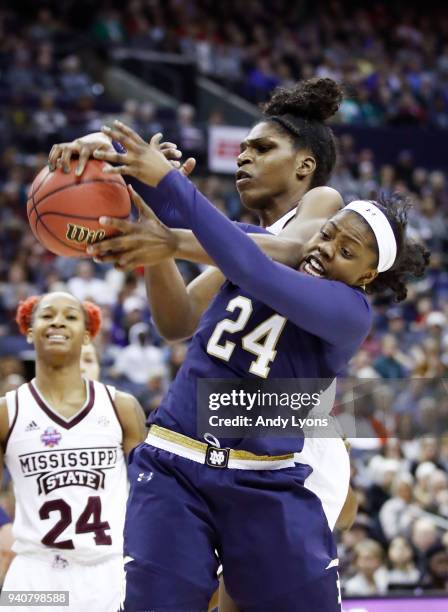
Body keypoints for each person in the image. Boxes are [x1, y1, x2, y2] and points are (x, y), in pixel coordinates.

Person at [81, 112, 429, 611]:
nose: (325, 249)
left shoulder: (349, 311)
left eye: (345, 251)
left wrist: (173, 214)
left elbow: (245, 263)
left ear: (367, 275)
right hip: (177, 461)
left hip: (263, 475)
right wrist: (94, 148)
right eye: (328, 235)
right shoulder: (260, 241)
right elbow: (172, 215)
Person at [0, 292, 146, 612]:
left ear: (87, 334)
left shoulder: (121, 406)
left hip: (107, 569)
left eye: (70, 316)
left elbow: (150, 493)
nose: (58, 321)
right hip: (34, 572)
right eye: (47, 314)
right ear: (28, 329)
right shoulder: (7, 412)